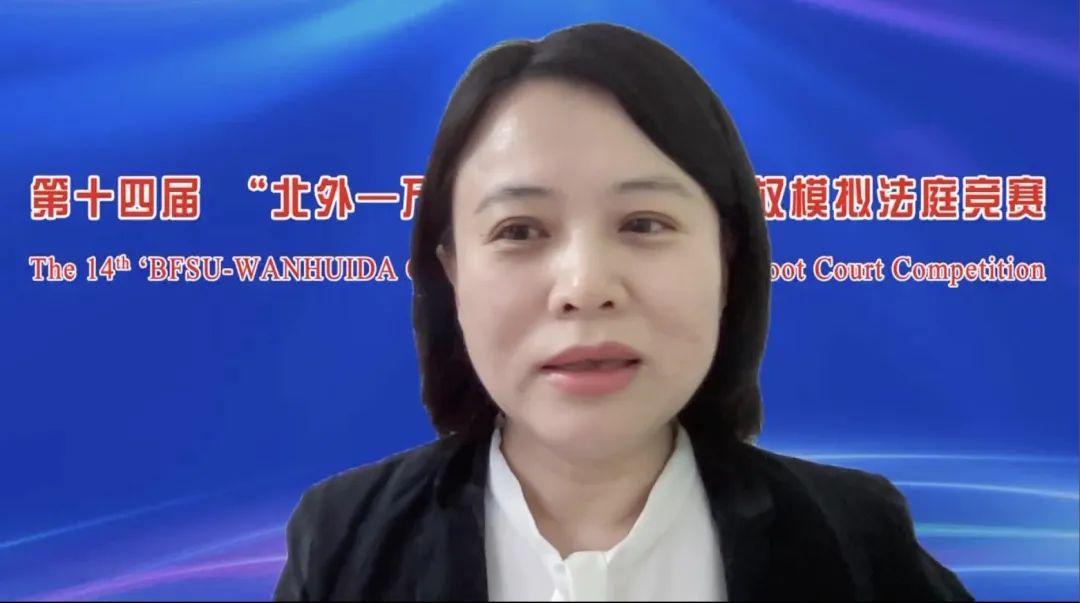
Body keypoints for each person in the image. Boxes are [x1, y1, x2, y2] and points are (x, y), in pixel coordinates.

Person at [273, 22, 973, 602]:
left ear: (727, 258)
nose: (584, 286)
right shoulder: (346, 540)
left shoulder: (856, 539)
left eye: (643, 223)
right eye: (520, 230)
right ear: (451, 270)